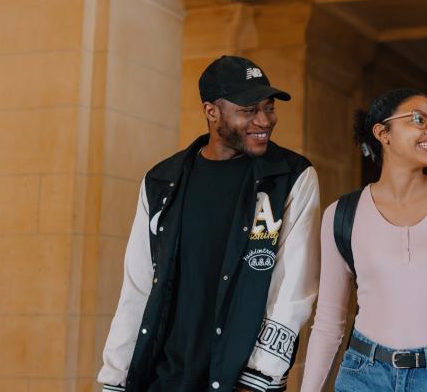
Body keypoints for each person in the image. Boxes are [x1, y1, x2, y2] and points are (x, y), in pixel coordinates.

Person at [98, 56, 320, 392]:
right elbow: (138, 286)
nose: (264, 120)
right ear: (211, 112)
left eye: (269, 107)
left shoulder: (291, 177)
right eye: (248, 110)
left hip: (239, 381)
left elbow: (292, 291)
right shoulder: (160, 181)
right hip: (164, 378)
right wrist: (114, 378)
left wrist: (260, 377)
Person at [301, 89, 427, 392]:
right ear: (383, 133)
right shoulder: (342, 214)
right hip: (363, 375)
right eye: (419, 120)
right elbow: (329, 322)